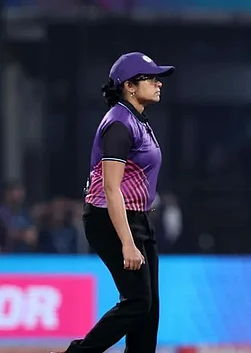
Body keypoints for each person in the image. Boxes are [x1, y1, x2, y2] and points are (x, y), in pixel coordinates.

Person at [55, 52, 174, 353]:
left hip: (138, 218)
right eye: (150, 78)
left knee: (149, 309)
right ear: (129, 86)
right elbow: (111, 188)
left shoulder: (137, 120)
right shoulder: (119, 124)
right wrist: (127, 243)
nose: (158, 83)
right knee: (137, 302)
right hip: (109, 219)